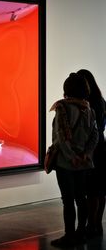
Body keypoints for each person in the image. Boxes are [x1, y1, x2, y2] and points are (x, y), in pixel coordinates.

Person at [50, 73, 98, 248]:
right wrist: (86, 154)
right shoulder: (89, 109)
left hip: (65, 162)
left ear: (67, 89)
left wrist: (72, 157)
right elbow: (95, 135)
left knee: (68, 200)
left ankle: (69, 235)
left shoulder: (63, 108)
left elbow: (61, 137)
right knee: (81, 198)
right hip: (84, 162)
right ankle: (81, 232)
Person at [77, 69, 106, 236]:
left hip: (91, 149)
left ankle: (90, 224)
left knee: (92, 190)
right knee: (100, 190)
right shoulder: (101, 100)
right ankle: (97, 224)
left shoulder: (86, 104)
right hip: (101, 147)